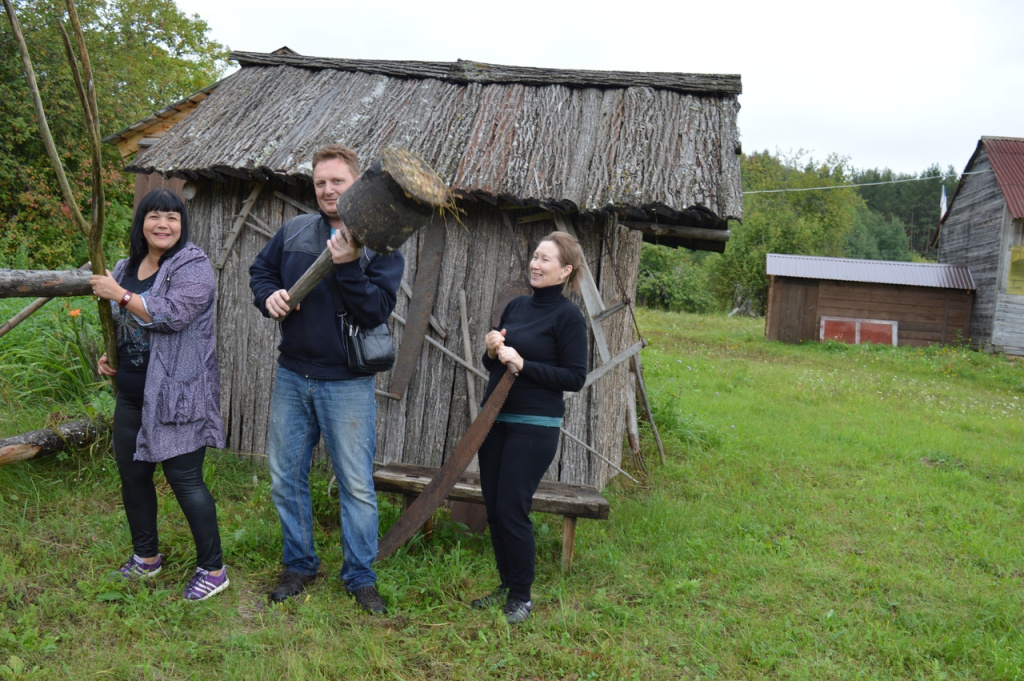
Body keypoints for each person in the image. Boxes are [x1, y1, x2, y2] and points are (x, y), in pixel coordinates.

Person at [248, 144, 404, 614]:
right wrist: (268, 297)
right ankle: (299, 564)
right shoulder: (294, 231)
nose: (328, 189)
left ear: (356, 184)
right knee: (285, 478)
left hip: (347, 383)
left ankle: (360, 576)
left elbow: (376, 310)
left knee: (356, 484)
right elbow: (260, 271)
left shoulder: (381, 241)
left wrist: (349, 265)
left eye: (337, 181)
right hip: (293, 375)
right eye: (320, 182)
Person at [90, 188, 228, 602]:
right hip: (131, 394)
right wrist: (109, 355)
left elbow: (171, 314)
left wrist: (123, 295)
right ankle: (146, 558)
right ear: (142, 222)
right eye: (154, 216)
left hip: (177, 394)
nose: (163, 224)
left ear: (181, 226)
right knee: (133, 478)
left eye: (172, 217)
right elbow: (126, 323)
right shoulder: (124, 265)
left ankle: (214, 569)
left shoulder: (193, 265)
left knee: (184, 481)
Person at [471, 231, 588, 624]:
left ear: (565, 271)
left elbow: (574, 377)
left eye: (546, 260)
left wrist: (524, 364)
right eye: (535, 257)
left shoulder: (569, 317)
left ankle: (522, 597)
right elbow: (497, 365)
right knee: (494, 509)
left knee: (512, 508)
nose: (536, 265)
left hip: (534, 426)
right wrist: (492, 352)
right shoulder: (517, 307)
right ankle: (505, 585)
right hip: (496, 420)